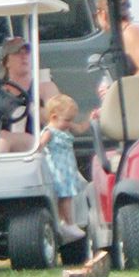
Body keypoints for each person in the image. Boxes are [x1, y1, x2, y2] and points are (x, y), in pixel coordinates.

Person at [0, 37, 62, 153]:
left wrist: (33, 108)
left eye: (27, 52)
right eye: (17, 52)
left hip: (36, 143)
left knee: (4, 137)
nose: (24, 56)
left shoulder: (44, 87)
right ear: (6, 62)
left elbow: (60, 121)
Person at [39, 94, 89, 242]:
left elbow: (80, 129)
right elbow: (40, 145)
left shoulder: (64, 128)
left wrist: (90, 119)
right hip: (57, 170)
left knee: (67, 197)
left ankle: (63, 221)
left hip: (67, 168)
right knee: (65, 197)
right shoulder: (50, 132)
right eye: (67, 120)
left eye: (71, 120)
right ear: (54, 117)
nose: (69, 123)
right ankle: (69, 223)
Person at [94, 0, 139, 77]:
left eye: (96, 15)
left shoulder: (130, 33)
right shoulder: (121, 35)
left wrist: (120, 88)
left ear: (102, 14)